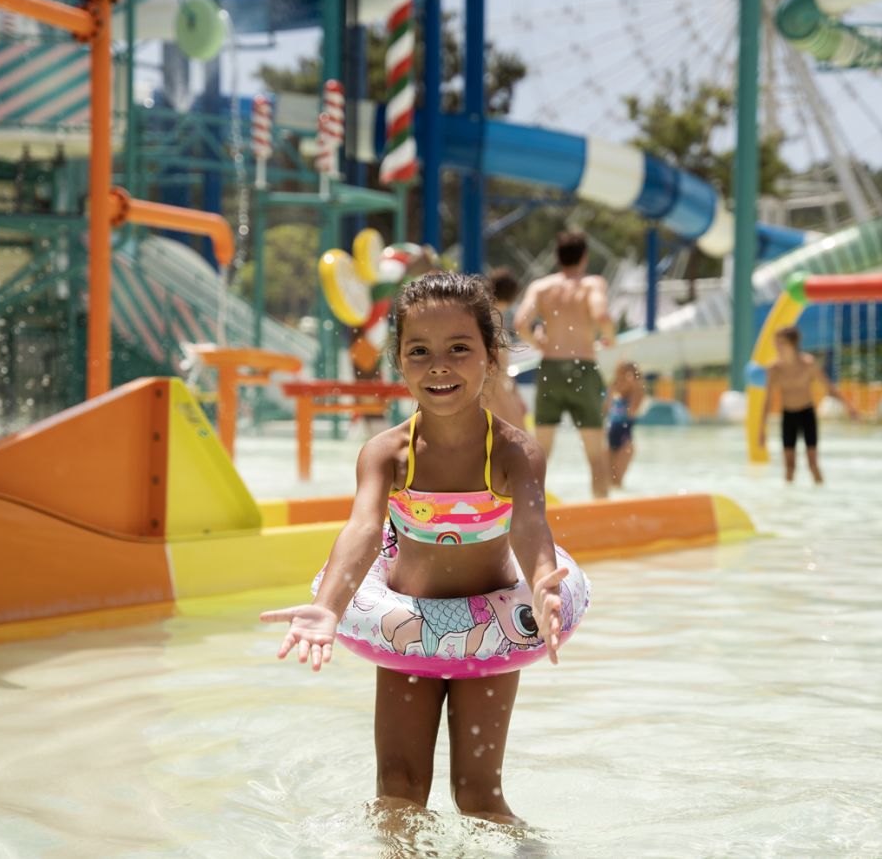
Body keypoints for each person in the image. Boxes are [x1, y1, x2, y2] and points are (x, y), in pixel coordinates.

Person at [259, 272, 572, 827]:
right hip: (409, 627)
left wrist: (545, 580)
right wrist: (329, 606)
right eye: (419, 351)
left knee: (477, 796)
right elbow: (362, 529)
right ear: (399, 362)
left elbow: (530, 526)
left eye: (459, 349)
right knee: (398, 789)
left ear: (491, 358)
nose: (439, 366)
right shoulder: (386, 454)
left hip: (490, 629)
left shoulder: (514, 453)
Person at [514, 230, 616, 499]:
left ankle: (528, 506)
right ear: (584, 257)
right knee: (595, 454)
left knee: (541, 451)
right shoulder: (591, 284)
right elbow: (603, 316)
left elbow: (520, 323)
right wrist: (609, 338)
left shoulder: (541, 287)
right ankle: (601, 511)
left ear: (557, 257)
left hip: (550, 369)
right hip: (583, 368)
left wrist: (537, 343)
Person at [757, 326, 857, 484]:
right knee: (789, 466)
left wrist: (849, 407)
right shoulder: (774, 369)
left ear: (792, 344)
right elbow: (767, 400)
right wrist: (762, 430)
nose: (777, 347)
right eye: (776, 343)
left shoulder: (808, 364)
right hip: (788, 416)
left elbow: (829, 388)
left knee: (813, 464)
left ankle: (821, 492)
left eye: (781, 343)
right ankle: (789, 497)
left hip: (807, 414)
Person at [484, 267, 530, 430]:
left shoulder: (488, 315)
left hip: (492, 387)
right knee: (519, 437)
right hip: (494, 388)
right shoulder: (492, 318)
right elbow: (500, 364)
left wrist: (515, 394)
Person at [606, 361, 644, 488]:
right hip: (610, 437)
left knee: (617, 482)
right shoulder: (614, 393)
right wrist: (611, 391)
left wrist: (633, 387)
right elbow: (604, 411)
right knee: (608, 482)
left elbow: (631, 412)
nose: (623, 379)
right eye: (620, 375)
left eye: (627, 376)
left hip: (625, 441)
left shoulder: (637, 392)